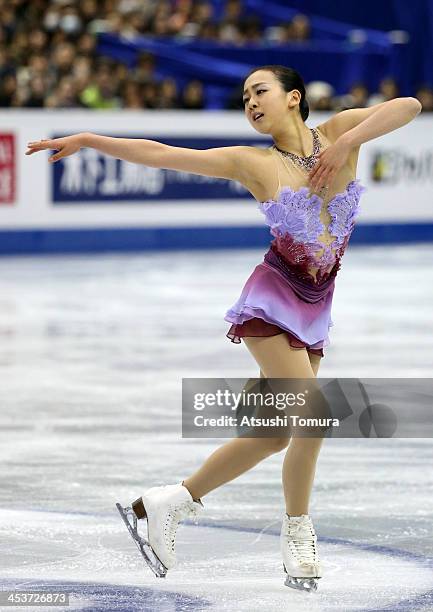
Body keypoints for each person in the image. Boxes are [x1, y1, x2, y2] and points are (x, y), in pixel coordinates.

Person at [25, 65, 422, 591]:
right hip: (271, 302)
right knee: (315, 416)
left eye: (260, 92)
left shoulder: (341, 134)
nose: (251, 102)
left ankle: (171, 501)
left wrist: (345, 140)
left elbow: (410, 105)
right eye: (244, 97)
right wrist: (91, 138)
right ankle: (298, 532)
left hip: (316, 305)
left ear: (294, 98)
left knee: (273, 434)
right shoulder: (252, 162)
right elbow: (166, 154)